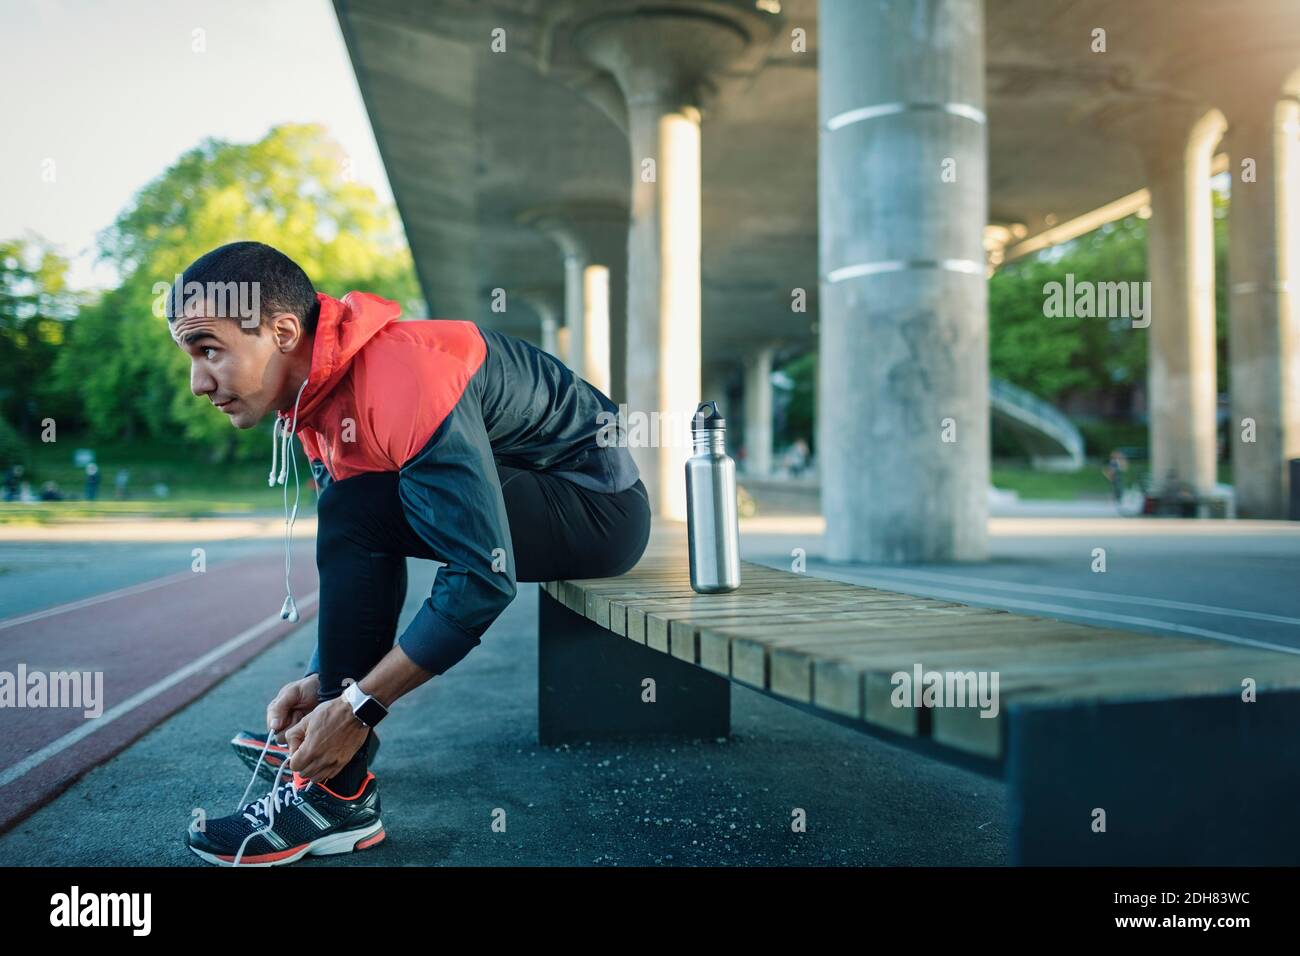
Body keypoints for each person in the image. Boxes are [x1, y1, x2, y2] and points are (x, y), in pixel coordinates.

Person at [168, 241, 651, 866]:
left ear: (283, 331)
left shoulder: (403, 375)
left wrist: (359, 706)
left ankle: (334, 796)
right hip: (537, 490)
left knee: (356, 511)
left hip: (598, 507)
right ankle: (334, 770)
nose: (198, 382)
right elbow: (356, 556)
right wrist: (324, 685)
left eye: (209, 349)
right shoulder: (316, 403)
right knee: (352, 511)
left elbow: (482, 574)